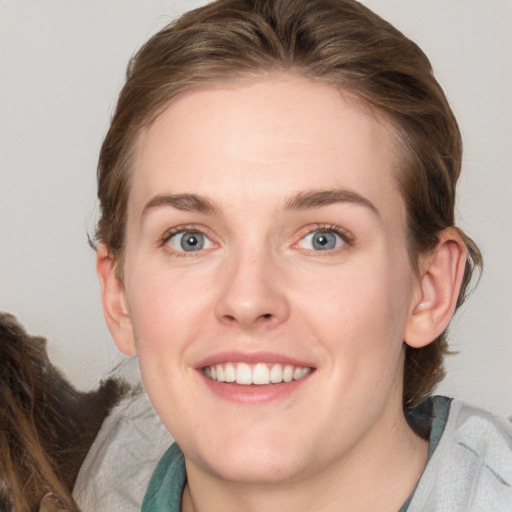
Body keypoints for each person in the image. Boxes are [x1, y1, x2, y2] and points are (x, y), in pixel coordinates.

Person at [91, 0, 512, 510]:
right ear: (118, 297)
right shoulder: (79, 487)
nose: (247, 301)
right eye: (190, 239)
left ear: (429, 289)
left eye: (323, 238)